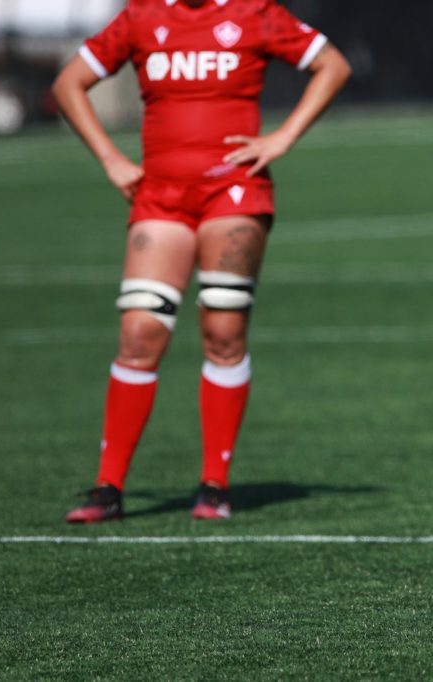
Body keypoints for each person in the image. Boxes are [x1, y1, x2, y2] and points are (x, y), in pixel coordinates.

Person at [54, 0, 350, 523]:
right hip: (159, 196)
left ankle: (214, 484)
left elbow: (332, 64)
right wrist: (111, 159)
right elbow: (68, 83)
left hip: (235, 192)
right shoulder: (141, 16)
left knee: (223, 331)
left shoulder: (256, 12)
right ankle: (108, 487)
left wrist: (282, 137)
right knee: (140, 333)